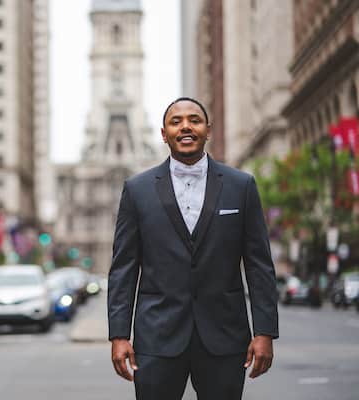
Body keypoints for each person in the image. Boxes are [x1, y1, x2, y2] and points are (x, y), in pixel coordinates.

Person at [107, 97, 279, 399]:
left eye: (194, 120)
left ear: (207, 130)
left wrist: (264, 331)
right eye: (176, 121)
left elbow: (259, 264)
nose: (186, 126)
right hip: (156, 338)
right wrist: (119, 335)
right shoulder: (137, 190)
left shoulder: (242, 186)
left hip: (224, 337)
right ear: (163, 134)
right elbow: (123, 268)